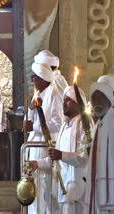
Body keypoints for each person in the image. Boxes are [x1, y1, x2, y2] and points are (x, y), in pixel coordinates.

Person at [30, 86, 92, 213]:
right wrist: (37, 163)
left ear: (77, 103)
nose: (64, 103)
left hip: (79, 189)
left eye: (67, 100)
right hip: (63, 189)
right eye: (63, 100)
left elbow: (84, 158)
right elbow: (55, 158)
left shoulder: (83, 124)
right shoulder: (64, 126)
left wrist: (61, 155)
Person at [25, 57, 64, 214]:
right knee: (33, 190)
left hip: (44, 148)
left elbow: (57, 123)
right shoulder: (38, 94)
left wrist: (34, 126)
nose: (31, 79)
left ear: (42, 78)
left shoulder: (54, 93)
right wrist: (30, 108)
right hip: (33, 147)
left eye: (34, 76)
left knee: (45, 191)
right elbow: (28, 123)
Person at [84, 75, 114, 214]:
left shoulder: (111, 121)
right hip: (99, 192)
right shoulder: (99, 124)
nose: (96, 102)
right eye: (94, 98)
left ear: (110, 99)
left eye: (100, 97)